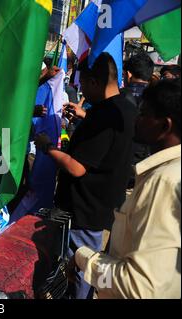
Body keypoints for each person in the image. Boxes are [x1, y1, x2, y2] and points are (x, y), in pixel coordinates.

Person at [34, 53, 137, 299]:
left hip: (84, 209)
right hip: (105, 204)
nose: (81, 91)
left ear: (93, 82)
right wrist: (85, 116)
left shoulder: (104, 116)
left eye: (83, 85)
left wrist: (47, 147)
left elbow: (77, 167)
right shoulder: (125, 107)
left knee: (79, 267)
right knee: (95, 264)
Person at [68, 79, 181, 299]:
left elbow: (138, 288)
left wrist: (85, 261)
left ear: (165, 126)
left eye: (144, 113)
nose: (137, 119)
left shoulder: (163, 183)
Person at [121, 53, 154, 188]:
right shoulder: (159, 98)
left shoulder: (117, 96)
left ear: (128, 74)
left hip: (120, 167)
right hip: (148, 168)